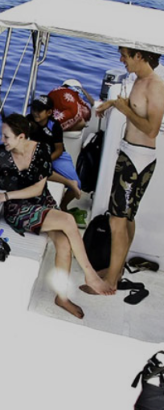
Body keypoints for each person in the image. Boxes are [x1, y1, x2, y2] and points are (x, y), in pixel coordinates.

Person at [0, 113, 115, 318]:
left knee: (63, 244)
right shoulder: (0, 153)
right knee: (68, 219)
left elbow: (37, 189)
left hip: (41, 202)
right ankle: (90, 275)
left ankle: (61, 297)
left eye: (6, 136)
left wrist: (6, 194)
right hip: (18, 209)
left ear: (22, 137)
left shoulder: (41, 150)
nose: (2, 140)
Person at [94, 46, 164, 292]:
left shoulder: (155, 85)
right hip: (131, 156)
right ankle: (117, 269)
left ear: (140, 56)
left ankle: (111, 281)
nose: (120, 59)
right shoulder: (139, 79)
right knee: (127, 217)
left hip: (136, 160)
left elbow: (152, 129)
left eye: (124, 55)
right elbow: (134, 106)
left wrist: (123, 109)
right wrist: (112, 103)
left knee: (117, 220)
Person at [28, 95, 83, 211]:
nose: (35, 113)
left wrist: (46, 160)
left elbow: (59, 150)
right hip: (38, 154)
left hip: (58, 156)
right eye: (33, 109)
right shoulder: (28, 120)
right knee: (36, 171)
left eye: (39, 110)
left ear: (49, 112)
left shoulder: (55, 126)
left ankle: (63, 205)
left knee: (78, 184)